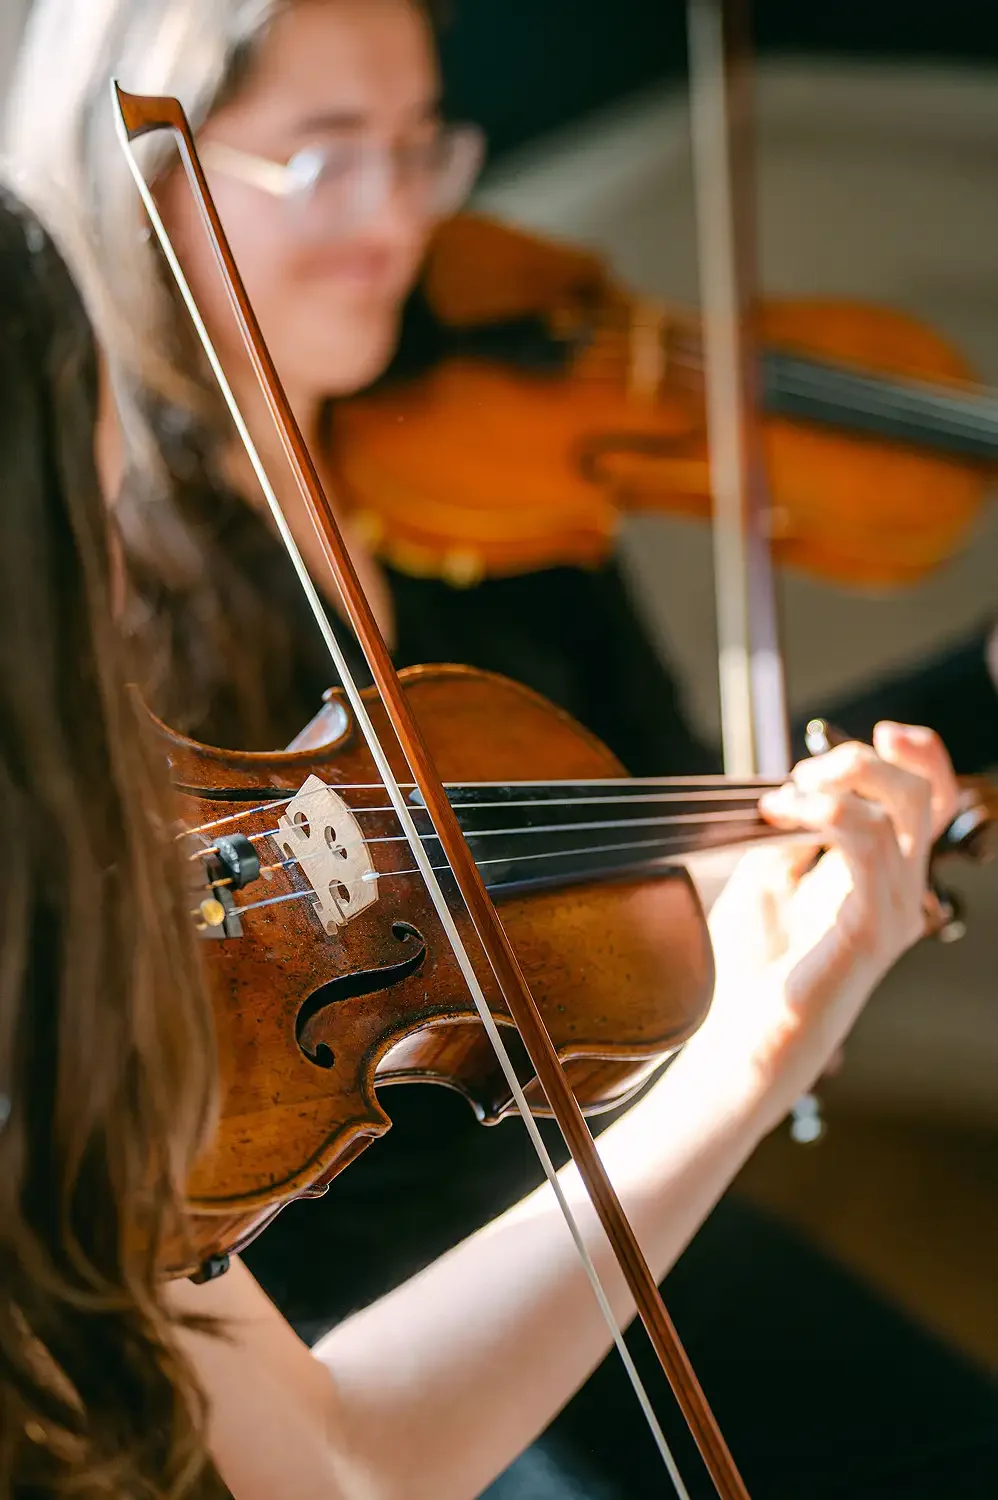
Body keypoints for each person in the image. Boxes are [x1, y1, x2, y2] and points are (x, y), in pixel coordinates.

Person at [5, 3, 998, 1494]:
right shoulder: (100, 644)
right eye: (327, 156)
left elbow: (680, 839)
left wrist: (801, 930)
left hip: (592, 1202)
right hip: (363, 1296)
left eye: (419, 147)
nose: (401, 215)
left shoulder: (499, 505)